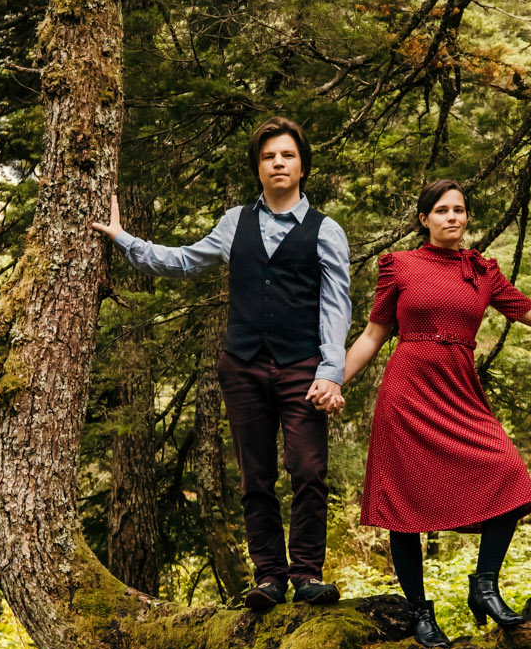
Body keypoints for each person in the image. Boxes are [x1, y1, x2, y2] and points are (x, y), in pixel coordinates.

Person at [337, 179, 531, 648]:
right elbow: (372, 335)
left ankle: (484, 586)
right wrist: (329, 380)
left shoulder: (482, 270)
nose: (452, 218)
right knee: (405, 509)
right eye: (441, 210)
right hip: (407, 393)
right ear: (424, 219)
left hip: (460, 391)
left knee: (508, 473)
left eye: (459, 210)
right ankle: (421, 614)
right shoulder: (398, 266)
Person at [92, 119, 350, 612]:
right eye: (270, 156)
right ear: (258, 167)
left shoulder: (326, 230)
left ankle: (308, 574)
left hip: (302, 366)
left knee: (308, 470)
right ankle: (270, 576)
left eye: (287, 156)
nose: (278, 163)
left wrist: (329, 370)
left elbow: (336, 306)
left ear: (302, 166)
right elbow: (184, 261)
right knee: (255, 475)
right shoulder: (236, 222)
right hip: (243, 365)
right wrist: (124, 238)